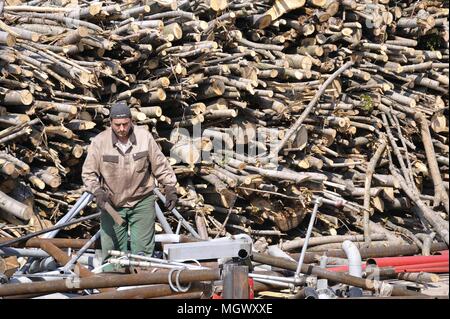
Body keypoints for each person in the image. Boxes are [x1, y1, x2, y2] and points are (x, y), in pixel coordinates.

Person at [82, 101, 177, 271]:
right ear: (110, 122)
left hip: (141, 201)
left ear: (131, 121)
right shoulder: (99, 142)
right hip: (112, 204)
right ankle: (115, 290)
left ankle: (141, 289)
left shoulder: (144, 138)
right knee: (113, 256)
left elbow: (160, 165)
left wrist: (170, 188)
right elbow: (88, 173)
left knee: (142, 256)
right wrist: (97, 191)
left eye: (125, 124)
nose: (121, 128)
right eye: (117, 125)